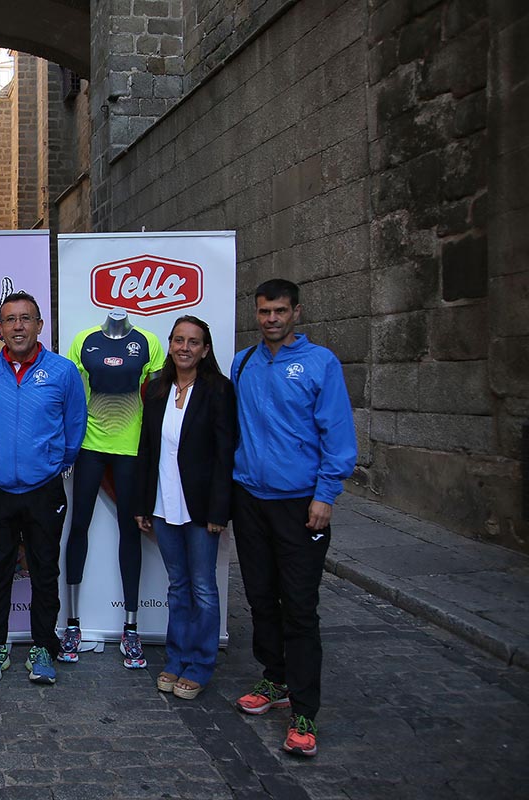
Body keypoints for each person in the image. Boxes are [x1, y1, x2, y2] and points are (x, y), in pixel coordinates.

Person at [231, 279, 356, 758]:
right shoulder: (244, 362)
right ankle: (274, 680)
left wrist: (326, 495)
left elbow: (338, 437)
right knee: (261, 597)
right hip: (250, 499)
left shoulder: (320, 363)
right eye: (264, 311)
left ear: (296, 313)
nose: (272, 319)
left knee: (299, 606)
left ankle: (304, 709)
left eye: (280, 311)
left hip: (302, 503)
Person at [0, 292, 87, 685]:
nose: (18, 326)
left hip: (44, 489)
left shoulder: (63, 371)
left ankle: (43, 645)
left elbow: (75, 427)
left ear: (40, 325)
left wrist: (54, 463)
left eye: (26, 318)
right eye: (10, 320)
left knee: (44, 570)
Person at [134, 316, 236, 701]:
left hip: (200, 509)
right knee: (178, 588)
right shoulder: (157, 389)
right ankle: (176, 660)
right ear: (170, 344)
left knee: (204, 589)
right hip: (163, 506)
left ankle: (200, 665)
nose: (185, 348)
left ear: (205, 349)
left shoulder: (219, 391)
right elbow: (147, 451)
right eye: (179, 340)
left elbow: (225, 454)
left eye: (194, 342)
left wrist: (218, 511)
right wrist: (144, 504)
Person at [64, 308, 165, 668]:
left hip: (130, 449)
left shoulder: (149, 342)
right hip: (90, 447)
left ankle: (131, 627)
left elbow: (154, 400)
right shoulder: (83, 341)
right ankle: (72, 624)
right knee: (78, 527)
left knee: (129, 531)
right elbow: (74, 397)